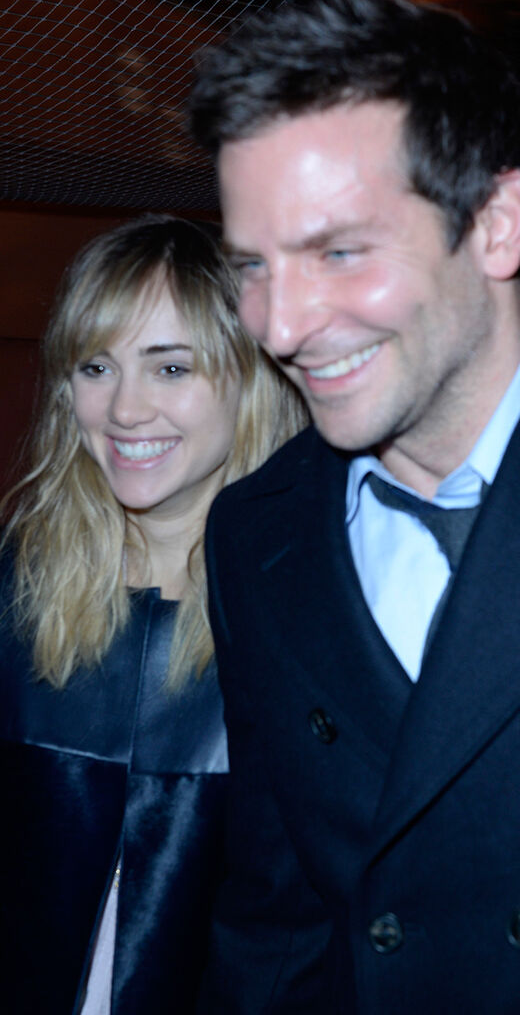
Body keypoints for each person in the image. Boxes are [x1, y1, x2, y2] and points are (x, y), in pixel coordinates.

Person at [190, 0, 520, 1014]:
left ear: (495, 225)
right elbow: (274, 923)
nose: (280, 327)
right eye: (251, 266)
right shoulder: (254, 533)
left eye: (340, 252)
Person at [0, 214, 305, 1015]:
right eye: (96, 366)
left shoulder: (317, 622)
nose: (126, 409)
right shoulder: (13, 591)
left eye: (170, 367)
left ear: (251, 377)